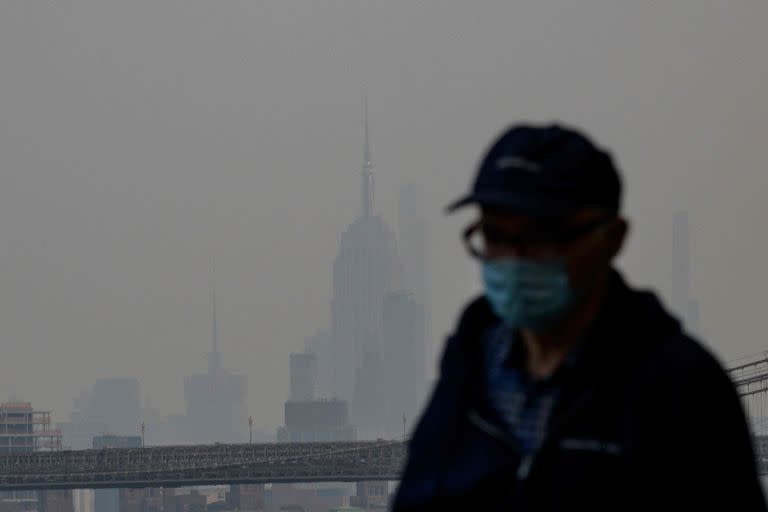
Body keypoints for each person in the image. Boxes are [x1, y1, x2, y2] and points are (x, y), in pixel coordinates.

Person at [392, 124, 766, 511]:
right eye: (494, 235)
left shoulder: (682, 388)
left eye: (543, 236)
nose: (515, 258)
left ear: (612, 238)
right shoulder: (467, 369)